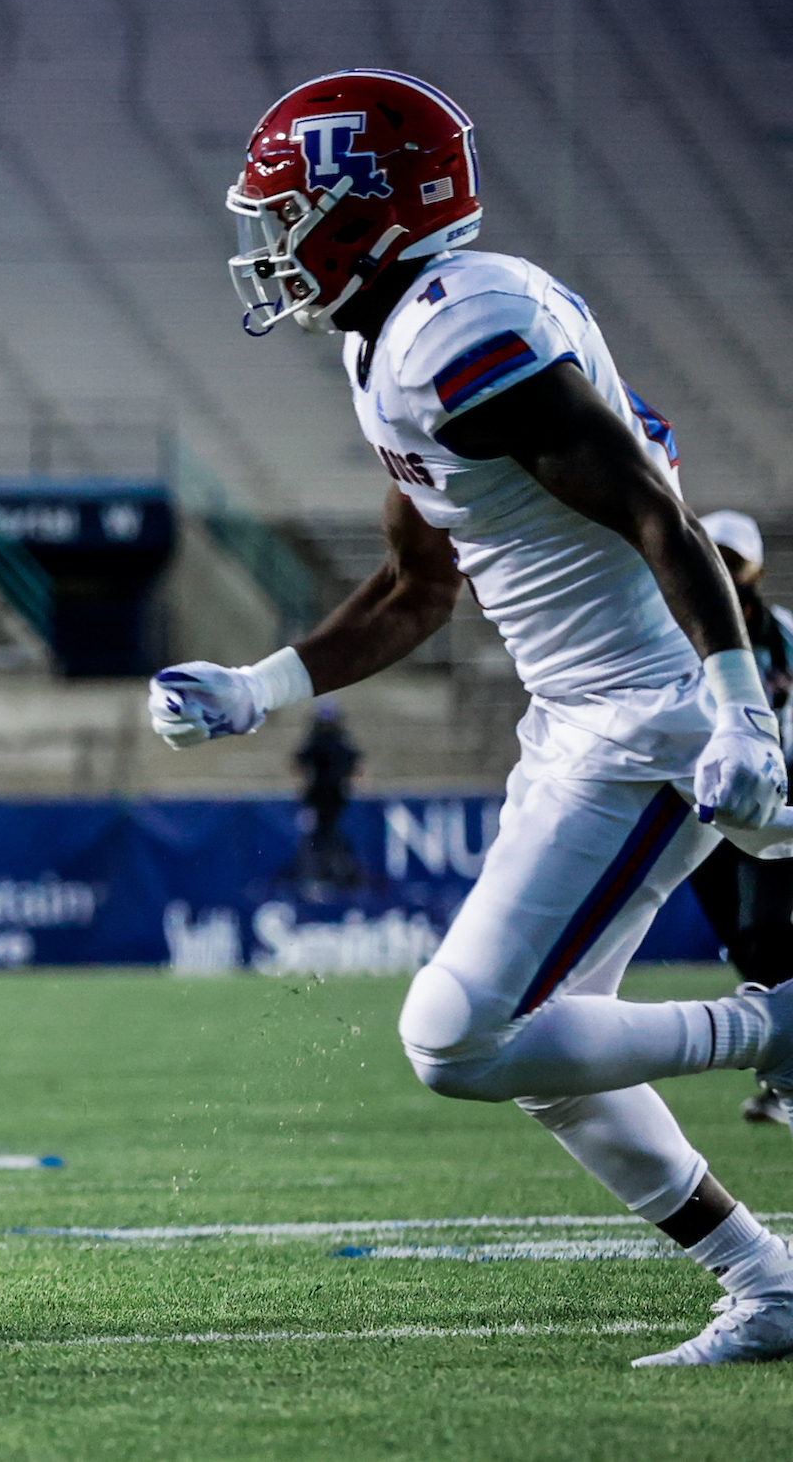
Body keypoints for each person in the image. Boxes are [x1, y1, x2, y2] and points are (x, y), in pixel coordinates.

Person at [148, 70, 793, 1367]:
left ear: (362, 212)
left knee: (455, 1036)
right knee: (545, 1048)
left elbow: (657, 518)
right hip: (583, 719)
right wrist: (254, 691)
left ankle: (775, 1022)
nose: (265, 244)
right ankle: (769, 1288)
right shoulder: (389, 339)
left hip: (655, 715)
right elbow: (419, 584)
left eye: (284, 213)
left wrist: (739, 713)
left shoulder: (459, 333)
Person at [685, 511, 793, 1124]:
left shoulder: (785, 636)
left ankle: (786, 1072)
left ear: (754, 569)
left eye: (733, 559)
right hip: (703, 801)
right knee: (743, 939)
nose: (723, 570)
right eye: (713, 556)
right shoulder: (683, 634)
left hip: (776, 798)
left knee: (763, 929)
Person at [292, 701, 364, 897]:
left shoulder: (323, 744)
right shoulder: (333, 744)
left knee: (326, 840)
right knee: (324, 840)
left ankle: (331, 879)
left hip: (327, 799)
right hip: (329, 799)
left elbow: (299, 765)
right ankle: (326, 879)